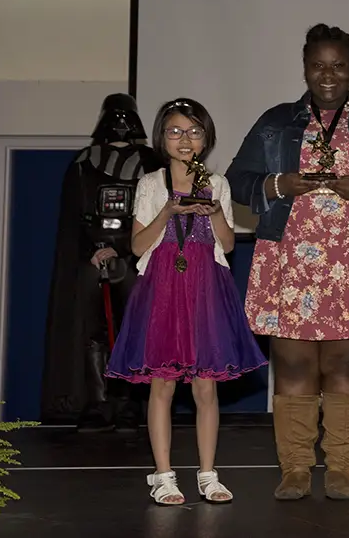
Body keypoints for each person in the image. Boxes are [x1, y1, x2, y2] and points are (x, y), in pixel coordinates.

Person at [226, 23, 349, 501]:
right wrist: (278, 184)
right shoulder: (276, 121)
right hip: (290, 258)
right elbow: (236, 180)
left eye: (338, 66)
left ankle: (341, 469)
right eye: (318, 65)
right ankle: (295, 469)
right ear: (305, 69)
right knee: (293, 365)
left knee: (347, 364)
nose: (328, 75)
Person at [105, 98, 267, 505]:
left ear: (206, 139)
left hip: (205, 289)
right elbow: (137, 246)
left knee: (205, 387)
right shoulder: (151, 183)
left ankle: (208, 474)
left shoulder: (218, 183)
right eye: (175, 131)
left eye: (194, 132)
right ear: (162, 137)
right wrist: (168, 211)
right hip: (162, 289)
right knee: (161, 384)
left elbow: (226, 245)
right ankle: (163, 475)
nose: (185, 140)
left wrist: (215, 212)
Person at [40, 93, 161, 432]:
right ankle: (98, 401)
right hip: (93, 259)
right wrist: (94, 248)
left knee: (132, 330)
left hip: (135, 259)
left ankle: (128, 402)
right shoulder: (84, 161)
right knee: (92, 332)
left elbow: (155, 213)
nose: (120, 123)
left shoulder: (152, 163)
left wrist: (123, 248)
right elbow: (75, 215)